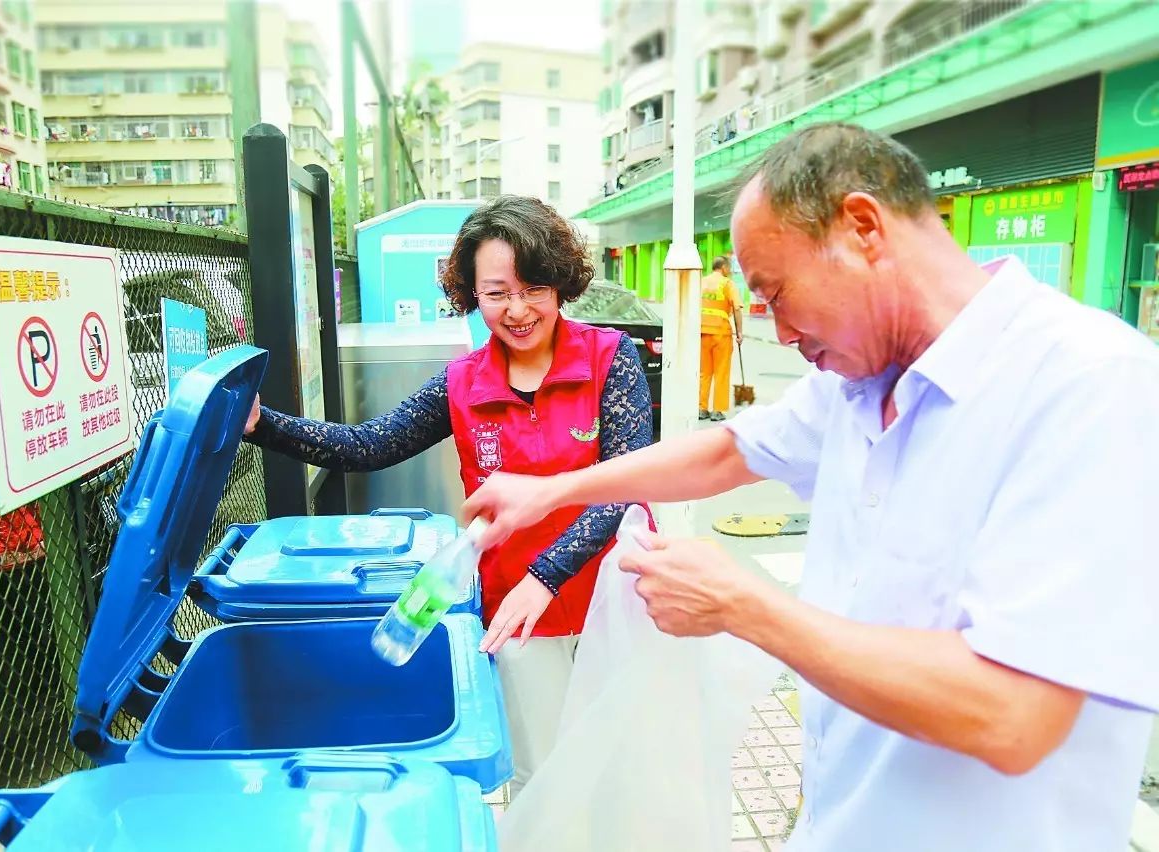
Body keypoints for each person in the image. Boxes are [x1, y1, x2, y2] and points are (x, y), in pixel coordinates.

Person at [462, 123, 1159, 851]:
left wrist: (742, 606)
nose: (782, 333)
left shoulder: (1088, 385)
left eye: (775, 292)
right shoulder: (860, 381)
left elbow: (1014, 715)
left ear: (863, 229)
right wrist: (548, 492)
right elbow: (727, 451)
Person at [243, 195, 654, 797]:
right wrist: (263, 424)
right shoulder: (463, 383)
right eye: (497, 293)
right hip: (518, 620)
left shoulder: (610, 358)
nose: (518, 310)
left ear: (561, 282)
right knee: (540, 778)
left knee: (619, 771)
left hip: (614, 601)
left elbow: (626, 485)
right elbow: (368, 445)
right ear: (471, 294)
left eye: (534, 289)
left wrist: (546, 576)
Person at [698, 255, 744, 421]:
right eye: (729, 268)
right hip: (721, 333)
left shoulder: (701, 282)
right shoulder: (727, 284)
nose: (730, 271)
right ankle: (717, 410)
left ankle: (702, 408)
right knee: (721, 373)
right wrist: (739, 332)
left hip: (702, 332)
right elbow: (737, 308)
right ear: (724, 267)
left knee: (704, 373)